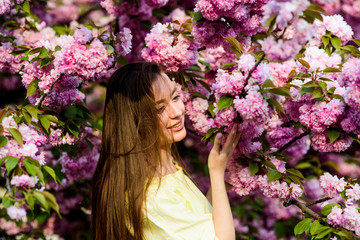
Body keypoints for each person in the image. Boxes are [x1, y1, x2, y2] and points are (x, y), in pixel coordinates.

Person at [91, 62, 241, 240]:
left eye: (175, 97)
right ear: (134, 121)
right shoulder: (151, 196)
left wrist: (222, 181)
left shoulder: (165, 167)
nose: (177, 112)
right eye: (160, 108)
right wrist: (216, 172)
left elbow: (201, 225)